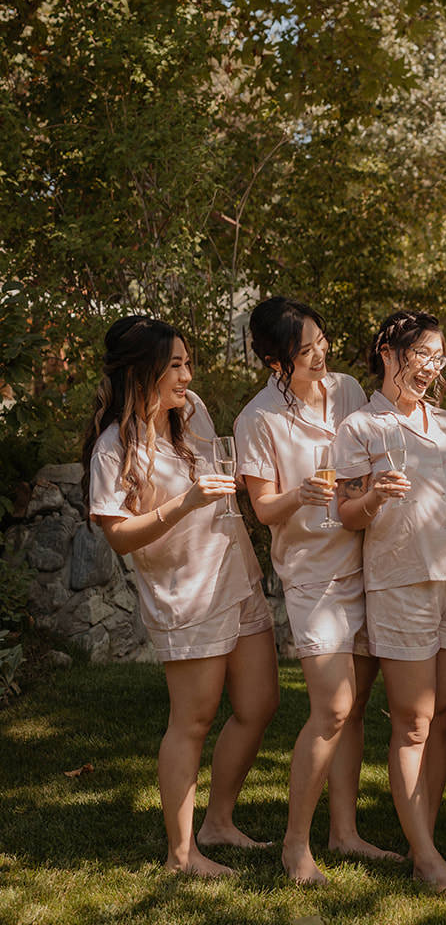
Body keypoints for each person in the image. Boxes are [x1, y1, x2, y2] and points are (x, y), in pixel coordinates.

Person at [83, 316, 278, 879]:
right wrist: (187, 502)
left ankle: (218, 823)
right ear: (140, 371)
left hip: (235, 578)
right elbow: (118, 535)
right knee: (191, 722)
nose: (187, 376)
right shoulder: (113, 449)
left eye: (188, 363)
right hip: (186, 596)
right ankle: (181, 854)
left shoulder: (191, 412)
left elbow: (219, 476)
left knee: (260, 704)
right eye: (175, 365)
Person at [235, 296, 400, 886]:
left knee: (352, 712)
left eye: (321, 342)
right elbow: (261, 509)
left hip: (367, 562)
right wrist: (299, 494)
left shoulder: (348, 389)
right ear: (276, 361)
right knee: (330, 707)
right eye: (305, 351)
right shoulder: (257, 420)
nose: (320, 355)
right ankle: (295, 845)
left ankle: (346, 833)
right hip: (312, 576)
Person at [334, 310, 446, 894]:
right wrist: (372, 498)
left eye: (439, 358)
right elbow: (343, 514)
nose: (432, 368)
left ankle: (426, 840)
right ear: (389, 353)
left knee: (442, 717)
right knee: (413, 722)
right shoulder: (360, 428)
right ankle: (427, 857)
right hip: (400, 583)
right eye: (424, 355)